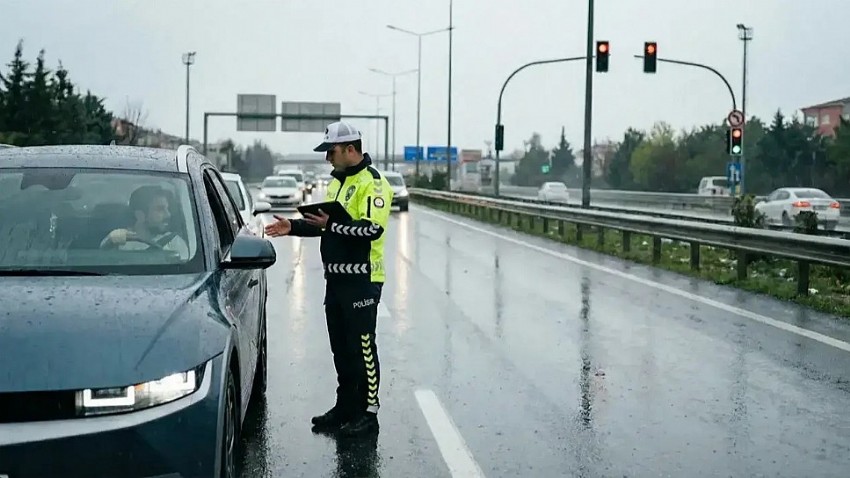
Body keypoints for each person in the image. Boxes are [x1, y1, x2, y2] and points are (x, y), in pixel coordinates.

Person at [265, 121, 393, 436]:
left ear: (351, 149)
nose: (327, 159)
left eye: (331, 152)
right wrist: (293, 226)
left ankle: (368, 413)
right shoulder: (336, 182)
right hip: (335, 280)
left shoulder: (374, 184)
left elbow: (371, 229)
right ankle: (345, 407)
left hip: (363, 279)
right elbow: (325, 224)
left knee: (363, 347)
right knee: (341, 350)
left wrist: (331, 226)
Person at [100, 185, 189, 258]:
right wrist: (109, 241)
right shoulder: (119, 242)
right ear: (140, 215)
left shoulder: (176, 243)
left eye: (167, 209)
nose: (168, 214)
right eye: (160, 209)